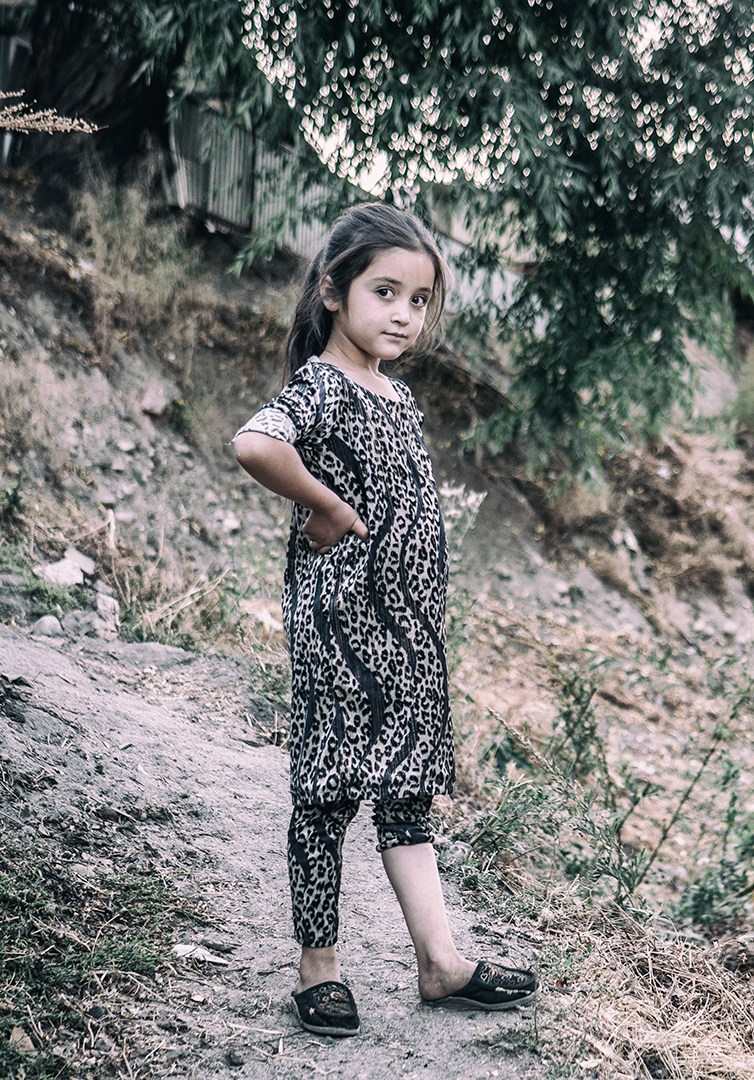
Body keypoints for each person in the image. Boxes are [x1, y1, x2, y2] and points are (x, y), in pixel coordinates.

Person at [233, 203, 536, 1037]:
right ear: (333, 291)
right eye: (385, 292)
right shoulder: (321, 386)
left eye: (420, 300)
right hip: (341, 631)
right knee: (327, 795)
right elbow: (255, 443)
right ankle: (319, 969)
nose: (404, 313)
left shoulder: (397, 395)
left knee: (407, 798)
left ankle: (440, 962)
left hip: (408, 635)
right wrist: (326, 505)